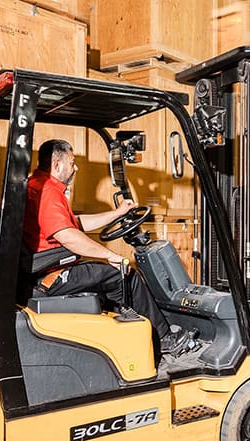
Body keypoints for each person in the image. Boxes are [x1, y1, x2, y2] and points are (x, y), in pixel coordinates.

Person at [22, 139, 188, 355]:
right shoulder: (48, 192)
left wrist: (117, 213)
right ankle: (165, 340)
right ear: (56, 164)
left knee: (109, 276)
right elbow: (68, 236)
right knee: (125, 275)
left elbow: (75, 224)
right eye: (72, 163)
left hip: (48, 266)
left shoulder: (37, 186)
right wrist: (111, 256)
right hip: (52, 274)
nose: (76, 168)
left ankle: (133, 335)